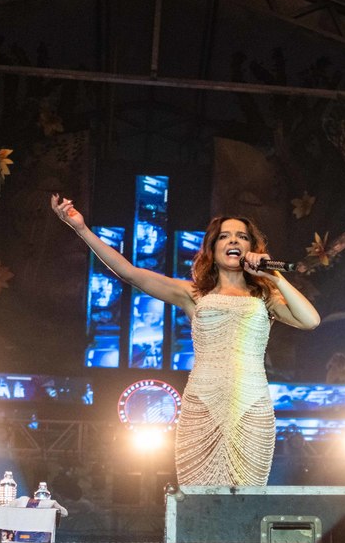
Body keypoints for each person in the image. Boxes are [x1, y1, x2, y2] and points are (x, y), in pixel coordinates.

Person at [51, 194, 320, 485]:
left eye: (242, 237)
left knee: (247, 494)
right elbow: (130, 273)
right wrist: (81, 228)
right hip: (204, 403)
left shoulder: (265, 296)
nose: (233, 240)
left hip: (251, 405)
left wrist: (274, 275)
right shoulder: (193, 294)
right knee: (198, 498)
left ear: (251, 248)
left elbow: (311, 320)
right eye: (224, 236)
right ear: (212, 248)